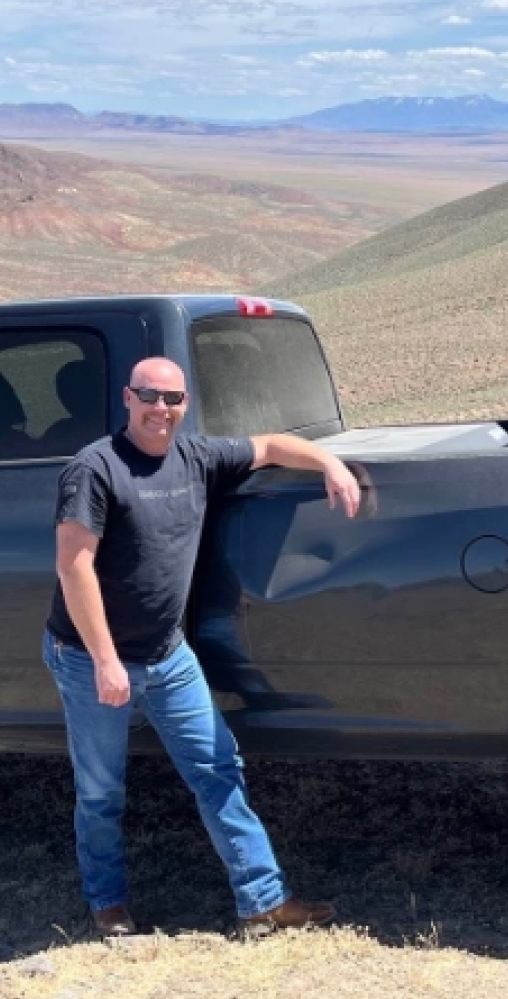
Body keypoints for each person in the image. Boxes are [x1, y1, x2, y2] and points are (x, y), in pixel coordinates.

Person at [44, 355, 361, 938]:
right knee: (101, 789)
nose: (161, 410)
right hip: (92, 658)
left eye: (173, 399)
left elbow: (268, 447)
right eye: (149, 396)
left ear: (185, 404)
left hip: (167, 655)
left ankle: (263, 901)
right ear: (127, 398)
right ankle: (107, 904)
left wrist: (329, 463)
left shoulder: (197, 457)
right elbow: (74, 566)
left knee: (218, 768)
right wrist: (107, 660)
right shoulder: (96, 469)